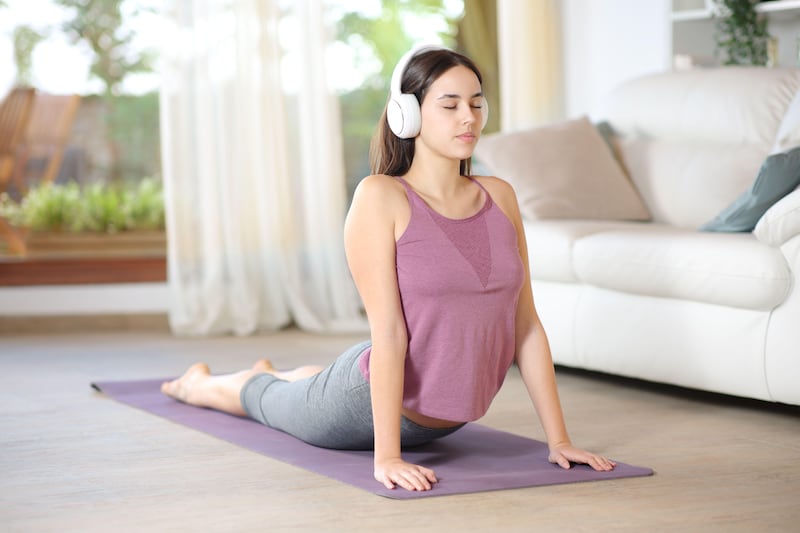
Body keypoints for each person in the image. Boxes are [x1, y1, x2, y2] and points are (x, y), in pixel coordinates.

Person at [161, 45, 617, 492]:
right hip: (359, 406)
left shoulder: (500, 195)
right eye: (450, 104)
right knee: (263, 399)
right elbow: (390, 336)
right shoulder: (381, 197)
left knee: (303, 384)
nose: (469, 118)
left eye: (477, 104)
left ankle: (290, 376)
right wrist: (388, 458)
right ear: (408, 114)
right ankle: (198, 384)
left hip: (439, 419)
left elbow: (527, 326)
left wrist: (560, 441)